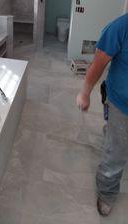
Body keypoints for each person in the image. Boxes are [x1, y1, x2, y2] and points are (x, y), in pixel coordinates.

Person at [76, 13, 128, 217]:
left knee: (118, 140)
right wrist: (84, 93)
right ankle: (107, 193)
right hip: (122, 104)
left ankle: (112, 131)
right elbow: (98, 64)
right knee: (116, 153)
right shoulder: (120, 27)